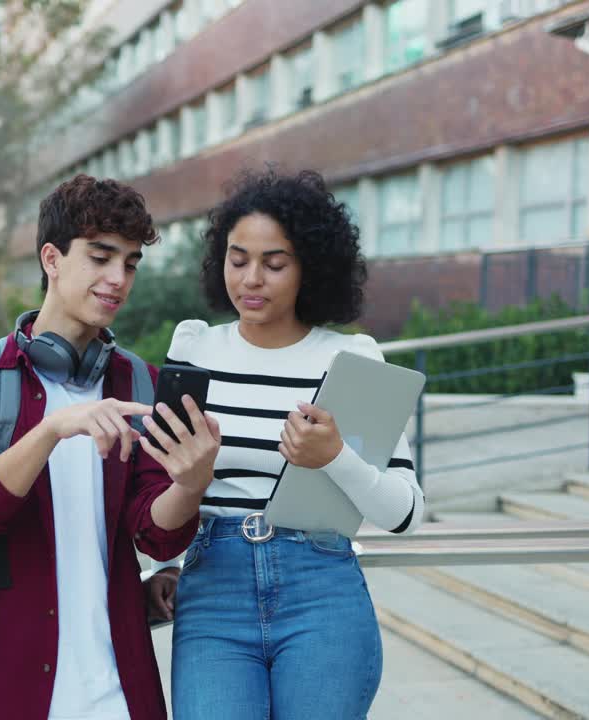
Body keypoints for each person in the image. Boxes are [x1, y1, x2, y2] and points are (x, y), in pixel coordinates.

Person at [0, 175, 222, 720]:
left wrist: (191, 482)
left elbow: (156, 533)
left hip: (115, 687)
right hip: (2, 683)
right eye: (100, 257)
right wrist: (51, 430)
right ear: (52, 259)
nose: (118, 279)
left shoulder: (138, 384)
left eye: (130, 263)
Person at [145, 168, 425, 720]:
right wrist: (172, 555)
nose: (251, 279)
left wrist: (335, 458)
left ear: (309, 269)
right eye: (237, 258)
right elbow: (161, 488)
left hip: (321, 589)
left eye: (274, 264)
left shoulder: (353, 360)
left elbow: (406, 512)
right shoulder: (195, 352)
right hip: (213, 588)